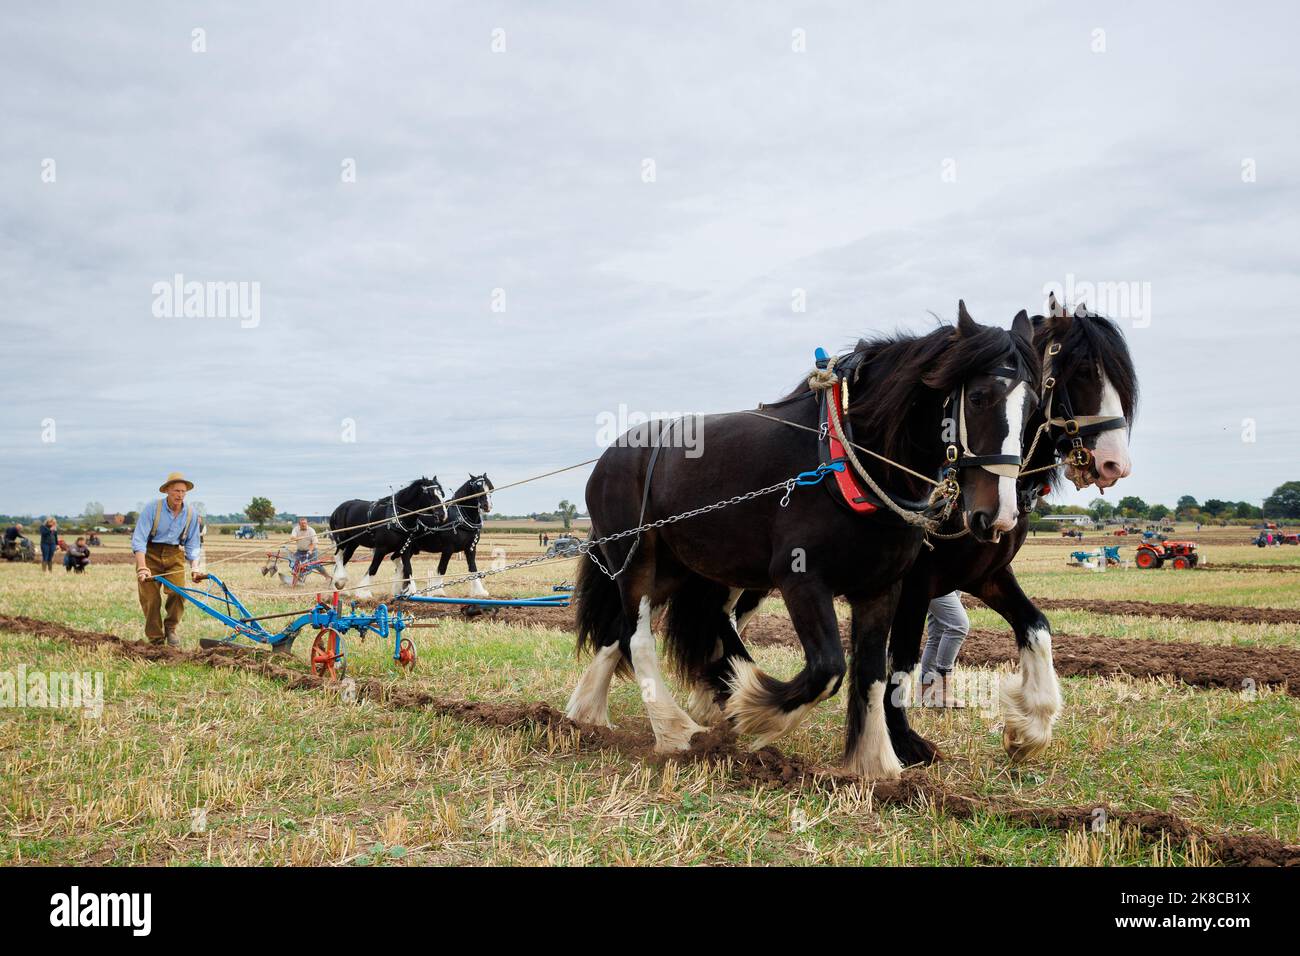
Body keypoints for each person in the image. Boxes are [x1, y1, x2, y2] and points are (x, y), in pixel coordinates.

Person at [132, 472, 204, 647]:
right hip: (150, 554)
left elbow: (193, 543)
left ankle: (171, 629)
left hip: (174, 555)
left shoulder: (191, 514)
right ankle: (156, 639)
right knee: (151, 598)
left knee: (179, 592)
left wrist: (195, 567)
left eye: (183, 491)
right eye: (176, 491)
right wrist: (142, 567)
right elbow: (139, 539)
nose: (180, 495)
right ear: (167, 491)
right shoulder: (152, 509)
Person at [920, 591, 970, 708]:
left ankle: (926, 690)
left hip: (952, 580)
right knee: (959, 626)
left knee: (938, 634)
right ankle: (941, 689)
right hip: (936, 578)